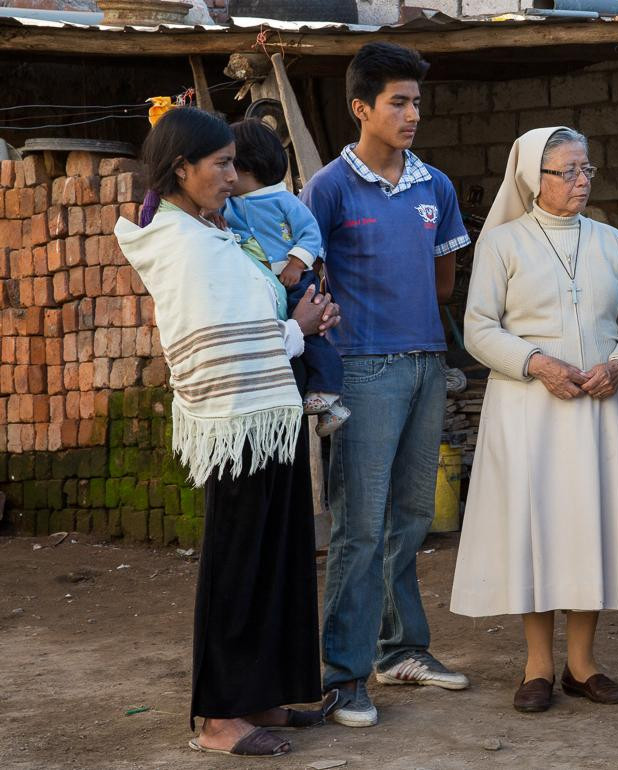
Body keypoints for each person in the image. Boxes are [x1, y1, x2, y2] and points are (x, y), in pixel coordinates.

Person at [113, 107, 340, 758]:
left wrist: (294, 322)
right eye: (220, 165)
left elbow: (253, 311)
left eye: (234, 165)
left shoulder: (210, 233)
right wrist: (299, 327)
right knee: (239, 569)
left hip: (264, 416)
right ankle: (219, 720)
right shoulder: (183, 246)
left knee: (275, 561)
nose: (232, 178)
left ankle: (261, 694)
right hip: (237, 423)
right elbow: (213, 344)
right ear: (181, 170)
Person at [450, 126, 618, 713]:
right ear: (532, 180)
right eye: (567, 171)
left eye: (586, 169)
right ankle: (538, 665)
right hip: (529, 411)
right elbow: (479, 328)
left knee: (587, 526)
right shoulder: (502, 244)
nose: (581, 181)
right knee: (535, 529)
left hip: (600, 406)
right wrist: (536, 363)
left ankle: (583, 665)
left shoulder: (612, 242)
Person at [301, 41, 471, 729]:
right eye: (398, 102)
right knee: (358, 527)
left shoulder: (436, 185)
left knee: (409, 518)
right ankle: (343, 675)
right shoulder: (329, 188)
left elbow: (443, 278)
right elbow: (308, 278)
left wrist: (417, 334)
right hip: (364, 369)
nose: (411, 114)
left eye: (416, 102)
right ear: (360, 108)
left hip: (427, 361)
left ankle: (401, 650)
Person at [222, 118, 349, 437]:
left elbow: (310, 234)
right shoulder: (229, 204)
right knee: (296, 341)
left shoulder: (283, 200)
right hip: (269, 286)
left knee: (312, 336)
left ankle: (330, 391)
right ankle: (331, 407)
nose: (226, 174)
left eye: (228, 163)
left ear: (246, 167)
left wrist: (295, 263)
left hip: (295, 281)